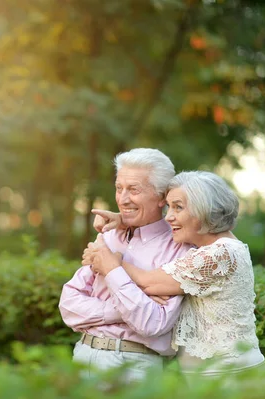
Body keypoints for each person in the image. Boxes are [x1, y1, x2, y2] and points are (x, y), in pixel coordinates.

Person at [83, 171, 265, 382]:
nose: (169, 216)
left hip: (230, 376)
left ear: (204, 210)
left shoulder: (219, 254)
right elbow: (155, 259)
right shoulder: (212, 248)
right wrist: (126, 222)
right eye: (169, 206)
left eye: (178, 207)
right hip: (210, 375)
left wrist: (110, 261)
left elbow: (148, 282)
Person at [58, 148, 192, 382]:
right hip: (83, 357)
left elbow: (153, 323)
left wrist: (112, 271)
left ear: (162, 197)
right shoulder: (108, 237)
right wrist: (126, 309)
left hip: (134, 367)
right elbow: (69, 305)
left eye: (134, 190)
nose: (123, 199)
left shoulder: (180, 248)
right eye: (119, 188)